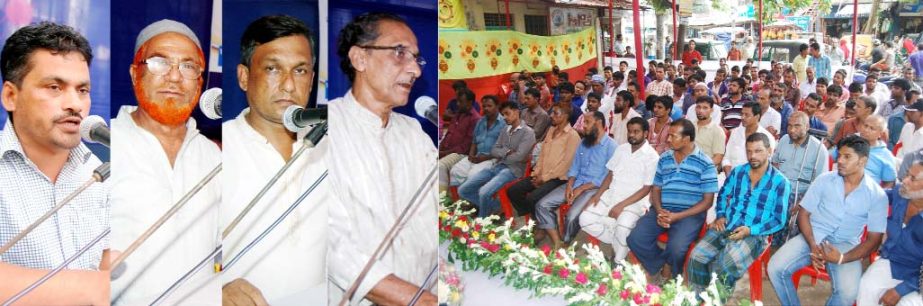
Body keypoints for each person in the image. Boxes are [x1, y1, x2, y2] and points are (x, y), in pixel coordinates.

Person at [326, 13, 437, 305]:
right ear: (360, 59)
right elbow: (334, 247)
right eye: (400, 53)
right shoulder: (322, 131)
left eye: (416, 58)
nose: (414, 69)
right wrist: (418, 300)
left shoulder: (414, 133)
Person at [108, 19, 220, 305]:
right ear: (135, 73)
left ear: (200, 81)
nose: (174, 77)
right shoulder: (101, 146)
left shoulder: (214, 157)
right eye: (159, 63)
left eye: (188, 66)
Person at [219, 15, 329, 304]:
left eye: (301, 70)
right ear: (244, 77)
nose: (289, 85)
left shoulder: (332, 148)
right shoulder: (216, 150)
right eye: (272, 69)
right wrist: (215, 289)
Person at [0, 22, 109, 305]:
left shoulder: (103, 173)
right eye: (54, 87)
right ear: (11, 96)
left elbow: (115, 269)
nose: (74, 104)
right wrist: (87, 288)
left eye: (82, 90)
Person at [769, 135, 888, 306]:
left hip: (846, 244)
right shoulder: (825, 180)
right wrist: (812, 245)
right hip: (814, 235)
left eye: (847, 157)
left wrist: (841, 258)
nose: (840, 160)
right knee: (775, 268)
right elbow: (804, 213)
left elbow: (874, 240)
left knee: (848, 294)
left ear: (862, 161)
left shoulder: (877, 195)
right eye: (839, 155)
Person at [687, 133, 791, 293]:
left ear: (769, 151)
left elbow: (778, 220)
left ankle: (716, 300)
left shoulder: (780, 182)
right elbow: (723, 193)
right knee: (696, 257)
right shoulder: (738, 172)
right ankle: (698, 296)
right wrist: (721, 215)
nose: (752, 156)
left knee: (725, 263)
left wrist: (751, 230)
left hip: (755, 234)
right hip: (728, 225)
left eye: (758, 151)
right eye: (749, 151)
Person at [627, 119, 718, 280]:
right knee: (635, 238)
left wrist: (677, 216)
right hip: (662, 210)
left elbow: (707, 202)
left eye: (673, 136)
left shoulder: (705, 163)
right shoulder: (665, 158)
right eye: (668, 135)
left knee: (677, 248)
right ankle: (663, 263)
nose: (668, 140)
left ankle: (671, 271)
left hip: (689, 215)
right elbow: (656, 189)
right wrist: (660, 210)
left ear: (687, 139)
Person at [579, 117, 660, 262]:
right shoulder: (621, 149)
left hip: (635, 202)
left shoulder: (652, 157)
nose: (632, 135)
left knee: (622, 227)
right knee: (585, 219)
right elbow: (610, 174)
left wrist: (621, 206)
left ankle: (618, 260)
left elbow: (647, 188)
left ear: (646, 133)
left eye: (636, 132)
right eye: (629, 131)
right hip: (612, 194)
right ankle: (616, 240)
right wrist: (598, 195)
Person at [534, 111, 615, 248]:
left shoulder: (611, 146)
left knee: (571, 216)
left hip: (594, 189)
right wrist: (570, 185)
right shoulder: (584, 142)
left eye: (587, 122)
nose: (583, 126)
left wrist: (581, 189)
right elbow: (575, 167)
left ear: (599, 123)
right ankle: (556, 241)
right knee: (542, 205)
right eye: (584, 122)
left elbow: (608, 176)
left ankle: (566, 240)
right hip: (576, 183)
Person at [857, 160, 923, 306]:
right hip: (893, 261)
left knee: (907, 304)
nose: (904, 180)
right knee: (867, 287)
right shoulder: (901, 193)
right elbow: (878, 196)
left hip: (919, 275)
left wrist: (901, 290)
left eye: (912, 178)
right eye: (907, 174)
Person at [459, 102, 535, 218]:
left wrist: (502, 153)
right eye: (502, 114)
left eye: (507, 113)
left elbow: (519, 157)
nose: (504, 117)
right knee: (463, 190)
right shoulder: (505, 129)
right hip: (497, 166)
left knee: (483, 192)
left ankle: (482, 221)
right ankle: (497, 206)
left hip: (513, 170)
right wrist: (508, 152)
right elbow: (494, 150)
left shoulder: (528, 132)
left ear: (516, 112)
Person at [506, 104, 579, 219]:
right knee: (513, 191)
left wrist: (544, 178)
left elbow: (566, 164)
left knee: (532, 198)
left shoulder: (573, 136)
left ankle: (538, 222)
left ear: (565, 116)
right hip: (542, 174)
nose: (551, 116)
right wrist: (536, 173)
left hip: (558, 178)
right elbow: (543, 154)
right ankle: (534, 216)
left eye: (555, 113)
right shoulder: (551, 130)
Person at [770, 112, 830, 245]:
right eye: (789, 126)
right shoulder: (784, 140)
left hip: (801, 193)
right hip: (780, 187)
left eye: (797, 126)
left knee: (789, 215)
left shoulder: (819, 149)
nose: (792, 130)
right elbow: (774, 163)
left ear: (807, 126)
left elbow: (821, 183)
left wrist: (803, 202)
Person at [449, 96, 506, 189]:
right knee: (456, 171)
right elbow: (474, 141)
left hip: (493, 159)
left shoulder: (504, 123)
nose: (486, 109)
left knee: (473, 175)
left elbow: (504, 149)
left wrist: (484, 158)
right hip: (476, 156)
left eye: (489, 106)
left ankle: (471, 199)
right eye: (484, 106)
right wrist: (471, 154)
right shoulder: (480, 121)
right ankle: (459, 200)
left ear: (497, 106)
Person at [831, 115, 897, 188]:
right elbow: (830, 159)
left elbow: (889, 182)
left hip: (867, 192)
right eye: (865, 126)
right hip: (838, 184)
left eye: (872, 128)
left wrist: (877, 196)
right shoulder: (849, 142)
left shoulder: (885, 155)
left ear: (880, 134)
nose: (866, 130)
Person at [438, 88, 480, 191]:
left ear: (470, 102)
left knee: (440, 166)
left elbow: (466, 146)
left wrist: (444, 153)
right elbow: (448, 134)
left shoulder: (475, 119)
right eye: (457, 101)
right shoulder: (458, 114)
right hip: (448, 150)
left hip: (460, 153)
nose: (457, 104)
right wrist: (439, 148)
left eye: (461, 101)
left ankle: (443, 200)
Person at [723, 102, 776, 174]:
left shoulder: (767, 137)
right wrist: (730, 177)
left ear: (757, 117)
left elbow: (765, 166)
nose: (742, 117)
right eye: (742, 114)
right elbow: (727, 158)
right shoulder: (735, 132)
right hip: (731, 175)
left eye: (747, 115)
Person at [691, 96, 726, 169]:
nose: (700, 110)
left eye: (705, 108)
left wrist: (701, 168)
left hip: (706, 170)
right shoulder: (690, 126)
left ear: (711, 110)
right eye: (698, 107)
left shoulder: (717, 131)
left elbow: (718, 158)